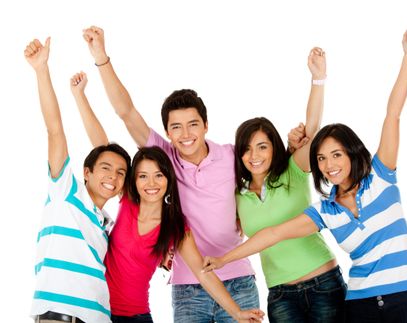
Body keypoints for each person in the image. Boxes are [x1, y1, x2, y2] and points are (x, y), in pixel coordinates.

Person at [203, 31, 407, 323]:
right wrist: (222, 260)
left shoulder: (381, 176)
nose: (328, 164)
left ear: (352, 152)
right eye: (321, 158)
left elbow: (392, 114)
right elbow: (271, 234)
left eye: (336, 155)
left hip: (395, 293)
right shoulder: (327, 210)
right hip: (355, 301)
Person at [81, 26, 259, 322]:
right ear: (167, 132)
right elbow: (125, 113)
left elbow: (264, 169)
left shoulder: (230, 154)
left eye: (193, 124)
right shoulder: (161, 159)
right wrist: (101, 58)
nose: (185, 134)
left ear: (206, 125)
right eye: (176, 127)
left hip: (238, 278)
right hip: (186, 285)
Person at [233, 46, 346, 323]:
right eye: (247, 149)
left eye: (262, 146)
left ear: (274, 148)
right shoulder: (237, 195)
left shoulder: (292, 171)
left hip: (323, 283)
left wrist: (318, 79)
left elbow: (314, 130)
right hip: (280, 294)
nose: (255, 156)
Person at [25, 38, 131, 323]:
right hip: (58, 317)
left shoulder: (105, 221)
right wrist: (41, 70)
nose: (113, 177)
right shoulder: (66, 192)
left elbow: (105, 151)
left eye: (121, 173)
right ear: (87, 173)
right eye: (106, 169)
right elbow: (55, 130)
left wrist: (81, 96)